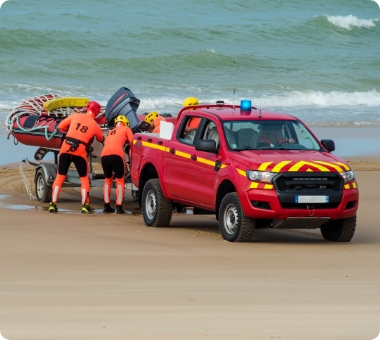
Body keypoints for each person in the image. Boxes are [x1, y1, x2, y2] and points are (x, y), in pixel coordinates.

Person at [49, 101, 105, 214]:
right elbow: (100, 139)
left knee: (60, 177)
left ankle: (53, 204)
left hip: (66, 148)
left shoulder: (75, 115)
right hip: (80, 151)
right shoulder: (95, 125)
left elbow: (60, 126)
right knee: (84, 179)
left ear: (86, 108)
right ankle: (85, 205)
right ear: (97, 112)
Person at [100, 115, 133, 214]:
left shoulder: (110, 131)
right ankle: (119, 207)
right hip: (117, 155)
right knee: (120, 181)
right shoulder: (126, 129)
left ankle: (106, 206)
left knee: (108, 181)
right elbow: (132, 142)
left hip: (104, 155)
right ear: (126, 122)